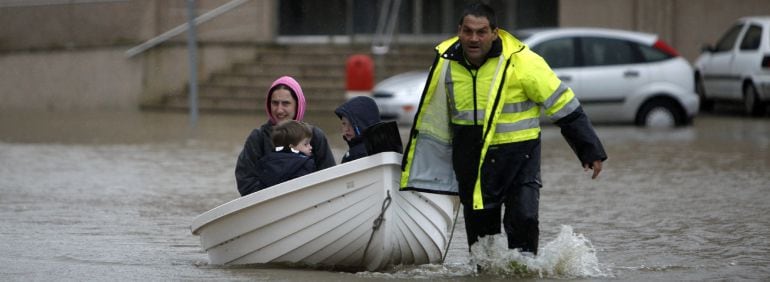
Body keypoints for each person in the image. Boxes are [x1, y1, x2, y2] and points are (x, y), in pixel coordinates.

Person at [399, 2, 607, 255]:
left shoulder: (523, 62)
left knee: (524, 221)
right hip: (472, 160)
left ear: (495, 32)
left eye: (481, 32)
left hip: (520, 157)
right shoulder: (445, 63)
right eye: (468, 31)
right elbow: (434, 116)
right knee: (482, 243)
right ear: (459, 31)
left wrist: (590, 150)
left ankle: (526, 271)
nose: (473, 38)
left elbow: (563, 105)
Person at [235, 76, 336, 197]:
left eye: (286, 103)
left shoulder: (316, 136)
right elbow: (246, 180)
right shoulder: (258, 137)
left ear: (298, 105)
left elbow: (329, 176)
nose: (279, 110)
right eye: (275, 103)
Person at [252, 120, 315, 190]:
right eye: (306, 144)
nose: (310, 147)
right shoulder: (305, 164)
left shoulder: (265, 163)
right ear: (291, 147)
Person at [334, 96, 382, 163]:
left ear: (363, 124)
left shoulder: (354, 156)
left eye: (351, 124)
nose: (346, 129)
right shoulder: (389, 147)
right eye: (344, 123)